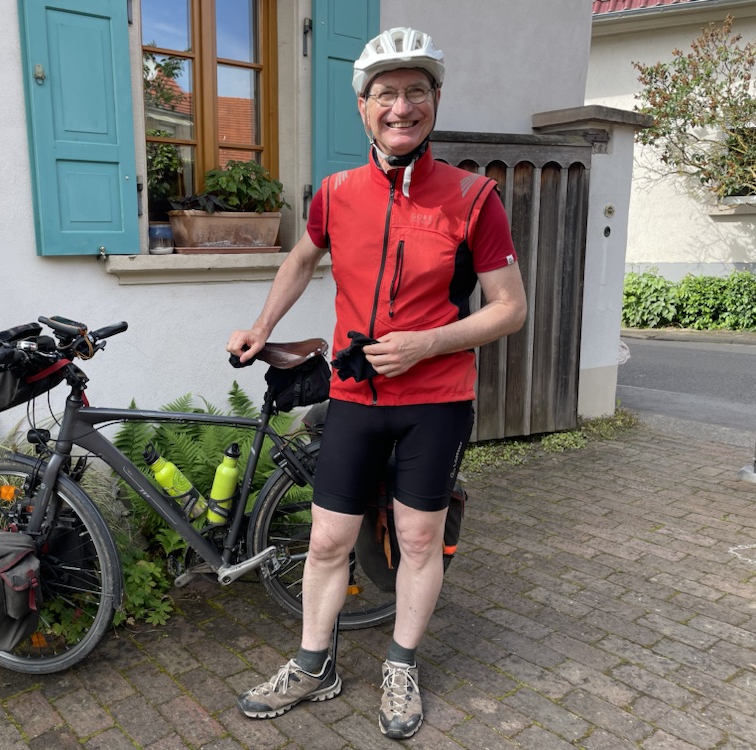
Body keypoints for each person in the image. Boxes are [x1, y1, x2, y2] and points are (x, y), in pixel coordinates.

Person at [227, 27, 527, 739]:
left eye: (416, 91)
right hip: (354, 395)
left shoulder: (473, 198)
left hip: (436, 401)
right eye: (386, 93)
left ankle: (400, 664)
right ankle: (313, 665)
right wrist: (262, 326)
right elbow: (302, 259)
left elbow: (511, 308)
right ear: (363, 106)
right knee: (328, 539)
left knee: (418, 541)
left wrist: (429, 342)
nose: (401, 106)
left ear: (435, 100)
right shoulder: (336, 193)